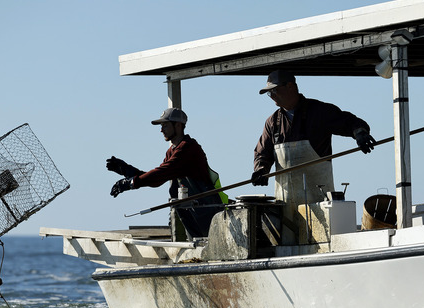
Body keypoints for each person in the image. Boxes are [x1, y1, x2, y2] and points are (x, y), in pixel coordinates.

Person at [252, 70, 377, 243]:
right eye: (269, 94)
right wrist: (260, 170)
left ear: (291, 87)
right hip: (286, 207)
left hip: (318, 202)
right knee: (288, 245)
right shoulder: (272, 122)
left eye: (274, 91)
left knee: (321, 242)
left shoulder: (318, 112)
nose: (272, 96)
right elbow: (262, 153)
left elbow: (350, 122)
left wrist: (360, 133)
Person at [107, 108, 224, 239]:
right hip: (190, 212)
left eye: (165, 125)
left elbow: (163, 172)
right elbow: (158, 179)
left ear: (178, 126)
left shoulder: (188, 147)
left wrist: (131, 182)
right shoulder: (172, 151)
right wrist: (128, 171)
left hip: (206, 210)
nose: (161, 130)